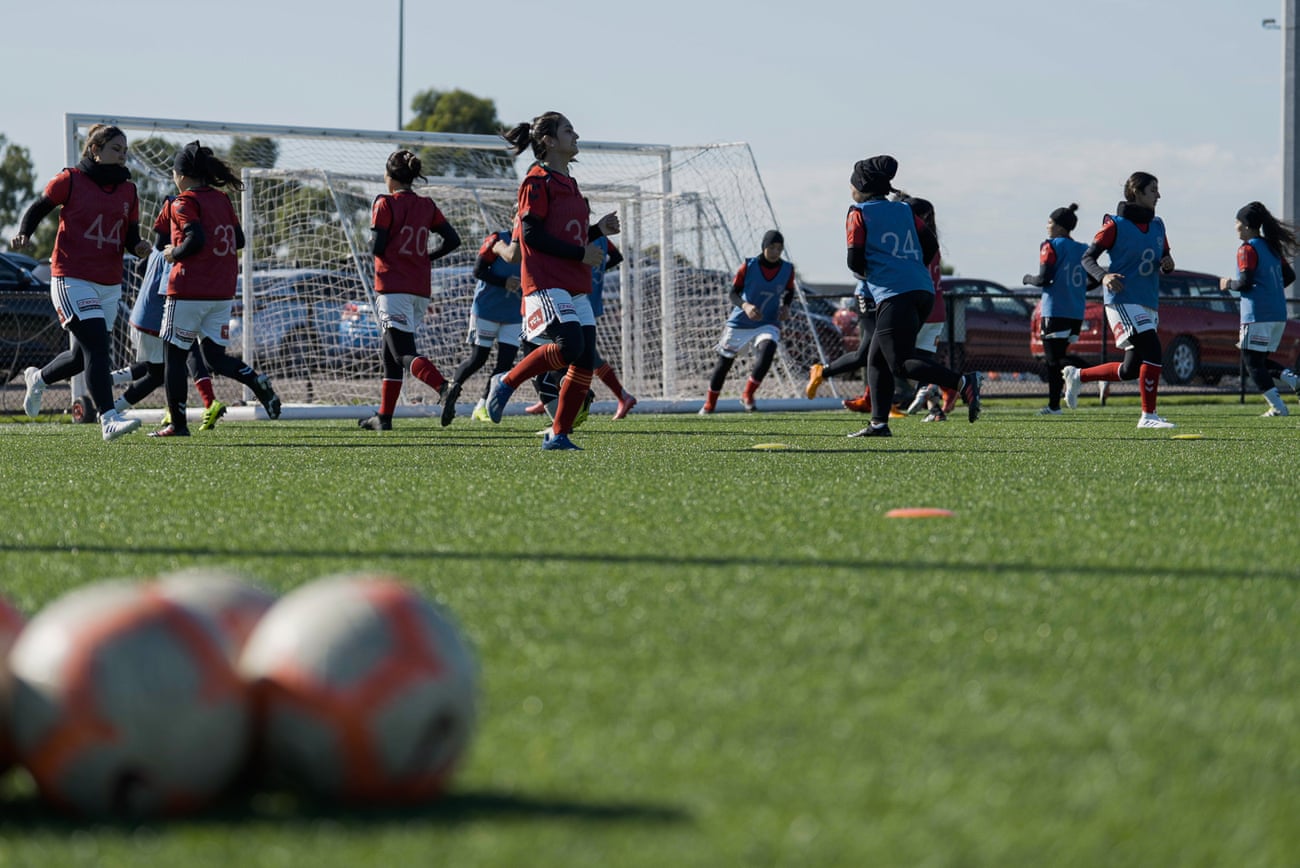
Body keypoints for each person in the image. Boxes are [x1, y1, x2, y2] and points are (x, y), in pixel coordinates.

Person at [484, 111, 620, 451]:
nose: (576, 136)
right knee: (570, 346)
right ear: (548, 141)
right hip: (547, 281)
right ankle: (506, 381)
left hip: (574, 282)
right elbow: (530, 235)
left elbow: (567, 236)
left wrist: (597, 231)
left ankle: (557, 435)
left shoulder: (570, 184)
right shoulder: (536, 181)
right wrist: (580, 255)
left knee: (584, 360)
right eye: (568, 130)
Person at [10, 123, 150, 441]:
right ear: (95, 151)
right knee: (99, 348)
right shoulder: (70, 179)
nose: (123, 155)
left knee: (82, 355)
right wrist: (24, 232)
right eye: (116, 149)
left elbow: (130, 237)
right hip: (71, 276)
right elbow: (37, 208)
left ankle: (39, 378)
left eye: (125, 150)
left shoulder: (129, 190)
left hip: (109, 282)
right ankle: (108, 418)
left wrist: (138, 247)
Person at [150, 141, 282, 437]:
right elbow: (239, 240)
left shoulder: (183, 201)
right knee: (215, 359)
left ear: (181, 175)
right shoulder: (222, 199)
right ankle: (254, 380)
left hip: (187, 290)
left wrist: (175, 253)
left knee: (174, 357)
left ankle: (178, 425)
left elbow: (194, 239)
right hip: (221, 292)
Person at [845, 156, 980, 437]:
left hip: (895, 293)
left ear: (861, 187)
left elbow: (854, 260)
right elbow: (930, 243)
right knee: (877, 360)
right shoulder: (905, 210)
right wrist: (911, 267)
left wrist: (875, 273)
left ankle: (962, 381)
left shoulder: (858, 212)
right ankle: (879, 424)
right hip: (921, 289)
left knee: (899, 363)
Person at [358, 149, 462, 431]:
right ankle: (384, 417)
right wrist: (426, 257)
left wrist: (368, 243)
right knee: (390, 354)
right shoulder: (427, 205)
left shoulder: (384, 203)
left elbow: (377, 247)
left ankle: (442, 386)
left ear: (390, 177)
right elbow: (453, 240)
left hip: (393, 287)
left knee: (403, 353)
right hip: (419, 289)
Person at [1063, 172, 1176, 428]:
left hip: (1148, 300)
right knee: (1153, 349)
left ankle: (1078, 375)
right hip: (1123, 299)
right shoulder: (1115, 225)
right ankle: (1148, 416)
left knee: (1130, 370)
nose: (1159, 195)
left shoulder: (1158, 225)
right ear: (1136, 192)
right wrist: (1103, 277)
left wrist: (1168, 264)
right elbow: (1088, 259)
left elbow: (1165, 258)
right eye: (1153, 190)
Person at [110, 197, 228, 430]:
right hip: (154, 321)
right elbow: (170, 290)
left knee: (158, 367)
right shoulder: (173, 256)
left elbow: (143, 268)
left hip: (144, 319)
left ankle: (110, 390)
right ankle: (112, 408)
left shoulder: (160, 250)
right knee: (161, 371)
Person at [699, 230, 795, 414]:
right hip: (741, 322)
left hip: (768, 321)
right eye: (772, 247)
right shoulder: (748, 266)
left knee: (768, 350)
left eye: (779, 248)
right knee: (724, 363)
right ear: (764, 247)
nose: (776, 252)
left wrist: (786, 306)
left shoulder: (787, 269)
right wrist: (746, 306)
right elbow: (733, 293)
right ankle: (710, 404)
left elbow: (789, 291)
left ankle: (748, 394)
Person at [1218, 201, 1300, 416]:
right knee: (1260, 360)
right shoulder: (1270, 246)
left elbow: (1244, 282)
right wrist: (1269, 289)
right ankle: (1294, 380)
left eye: (1237, 221)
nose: (1235, 226)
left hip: (1257, 314)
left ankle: (1278, 408)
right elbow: (1290, 276)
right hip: (1278, 313)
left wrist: (1228, 283)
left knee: (1252, 363)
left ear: (1245, 225)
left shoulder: (1247, 249)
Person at [440, 222, 518, 427]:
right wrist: (504, 282)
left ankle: (481, 407)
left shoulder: (535, 243)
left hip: (515, 313)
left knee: (505, 364)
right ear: (513, 218)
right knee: (478, 358)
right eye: (519, 215)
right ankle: (449, 395)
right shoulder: (497, 239)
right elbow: (478, 270)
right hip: (487, 310)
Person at [1023, 203, 1089, 415]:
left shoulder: (1050, 245)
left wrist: (1027, 279)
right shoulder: (1083, 249)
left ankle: (1089, 374)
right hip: (1076, 312)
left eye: (1050, 222)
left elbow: (1044, 278)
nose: (1047, 226)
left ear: (1060, 227)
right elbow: (1094, 279)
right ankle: (1054, 406)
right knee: (1058, 359)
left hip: (1055, 310)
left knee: (1053, 361)